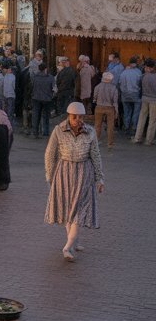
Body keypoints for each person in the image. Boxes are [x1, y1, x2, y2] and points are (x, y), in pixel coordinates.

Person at [45, 102, 104, 262]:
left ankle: (68, 246)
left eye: (80, 117)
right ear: (68, 116)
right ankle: (74, 240)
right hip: (63, 172)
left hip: (84, 173)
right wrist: (50, 176)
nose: (77, 120)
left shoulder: (90, 132)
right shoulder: (59, 130)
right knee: (67, 208)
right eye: (74, 117)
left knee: (79, 210)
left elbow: (96, 155)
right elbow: (50, 154)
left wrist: (99, 178)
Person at [91, 72, 118, 149]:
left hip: (99, 107)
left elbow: (94, 98)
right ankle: (110, 144)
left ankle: (96, 142)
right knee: (110, 126)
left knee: (97, 126)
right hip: (110, 108)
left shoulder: (97, 87)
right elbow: (115, 101)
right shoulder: (114, 88)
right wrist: (116, 111)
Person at [30, 62, 56, 139]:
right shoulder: (50, 77)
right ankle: (45, 132)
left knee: (36, 115)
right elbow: (54, 88)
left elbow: (32, 86)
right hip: (47, 99)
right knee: (45, 116)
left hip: (36, 98)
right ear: (45, 69)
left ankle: (35, 131)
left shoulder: (34, 77)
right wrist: (52, 95)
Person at [133, 59, 156, 145]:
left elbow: (139, 86)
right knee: (152, 120)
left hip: (144, 98)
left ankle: (137, 138)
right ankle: (149, 140)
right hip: (154, 100)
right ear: (153, 67)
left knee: (142, 118)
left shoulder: (143, 76)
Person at [118, 58, 142, 136]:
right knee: (136, 112)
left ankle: (126, 127)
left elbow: (120, 83)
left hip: (125, 95)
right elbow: (140, 84)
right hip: (136, 94)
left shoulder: (124, 73)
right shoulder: (139, 72)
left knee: (126, 112)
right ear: (136, 63)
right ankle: (134, 127)